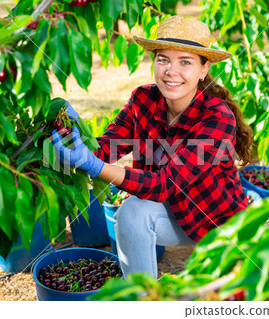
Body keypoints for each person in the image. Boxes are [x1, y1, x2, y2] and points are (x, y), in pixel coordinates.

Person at [52, 16, 253, 278]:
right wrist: (76, 134)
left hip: (216, 222)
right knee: (131, 212)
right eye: (163, 60)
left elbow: (166, 184)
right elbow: (106, 148)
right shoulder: (143, 99)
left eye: (185, 62)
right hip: (170, 213)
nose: (171, 71)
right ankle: (142, 300)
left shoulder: (217, 117)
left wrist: (96, 167)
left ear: (203, 70)